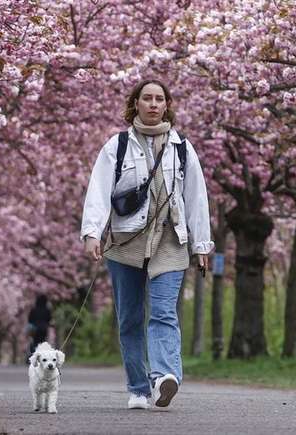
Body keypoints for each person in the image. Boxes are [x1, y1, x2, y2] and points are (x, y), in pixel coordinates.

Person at [80, 79, 213, 409]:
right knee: (129, 317)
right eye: (147, 98)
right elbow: (98, 190)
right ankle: (138, 388)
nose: (153, 104)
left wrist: (202, 244)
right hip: (127, 240)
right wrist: (92, 233)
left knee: (164, 312)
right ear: (135, 103)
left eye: (159, 99)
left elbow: (196, 197)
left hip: (170, 240)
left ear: (167, 104)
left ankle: (165, 376)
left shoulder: (181, 146)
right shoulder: (118, 145)